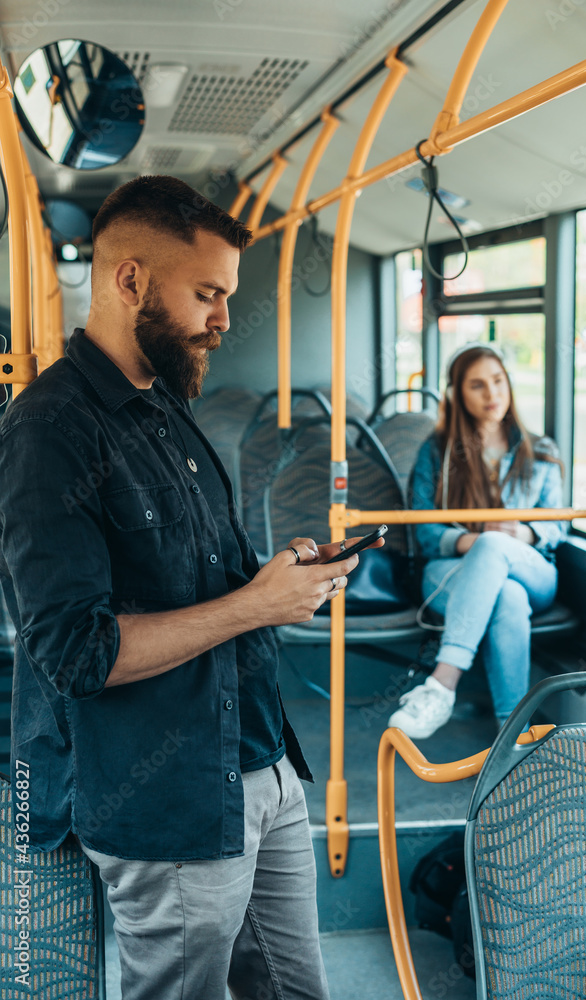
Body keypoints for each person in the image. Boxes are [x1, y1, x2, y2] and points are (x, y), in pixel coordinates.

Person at [0, 175, 379, 1000]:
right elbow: (75, 651)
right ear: (129, 280)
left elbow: (204, 574)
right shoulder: (46, 431)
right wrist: (254, 606)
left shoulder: (166, 402)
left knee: (293, 991)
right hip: (168, 801)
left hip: (265, 762)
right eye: (206, 293)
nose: (223, 319)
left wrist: (281, 578)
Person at [388, 343, 564, 739]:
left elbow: (558, 526)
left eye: (499, 381)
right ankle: (514, 734)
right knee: (508, 597)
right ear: (457, 394)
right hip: (451, 569)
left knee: (498, 551)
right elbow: (424, 531)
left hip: (532, 567)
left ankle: (442, 683)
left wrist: (522, 533)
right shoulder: (437, 453)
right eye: (478, 386)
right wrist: (474, 540)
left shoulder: (542, 451)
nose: (492, 394)